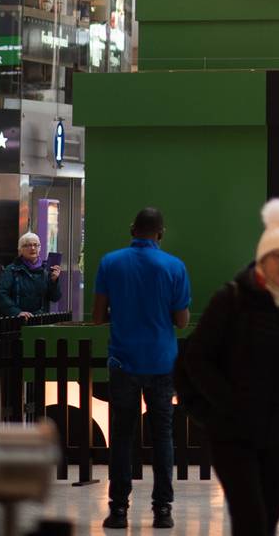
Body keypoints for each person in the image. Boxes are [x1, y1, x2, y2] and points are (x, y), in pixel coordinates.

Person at [176, 198, 279, 536]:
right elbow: (196, 358)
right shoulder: (231, 300)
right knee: (251, 523)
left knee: (268, 522)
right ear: (263, 259)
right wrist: (226, 404)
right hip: (234, 435)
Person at [93, 206, 191, 531]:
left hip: (123, 360)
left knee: (122, 435)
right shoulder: (175, 266)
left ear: (132, 229)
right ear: (160, 233)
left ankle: (118, 509)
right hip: (162, 361)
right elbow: (181, 320)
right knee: (163, 435)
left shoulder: (110, 263)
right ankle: (162, 509)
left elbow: (97, 316)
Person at [0, 232, 61, 319]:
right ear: (20, 249)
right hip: (17, 322)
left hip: (40, 321)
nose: (32, 248)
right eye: (28, 245)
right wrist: (16, 312)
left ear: (39, 248)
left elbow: (55, 298)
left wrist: (54, 281)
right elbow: (0, 294)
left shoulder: (46, 270)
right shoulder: (12, 270)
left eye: (36, 245)